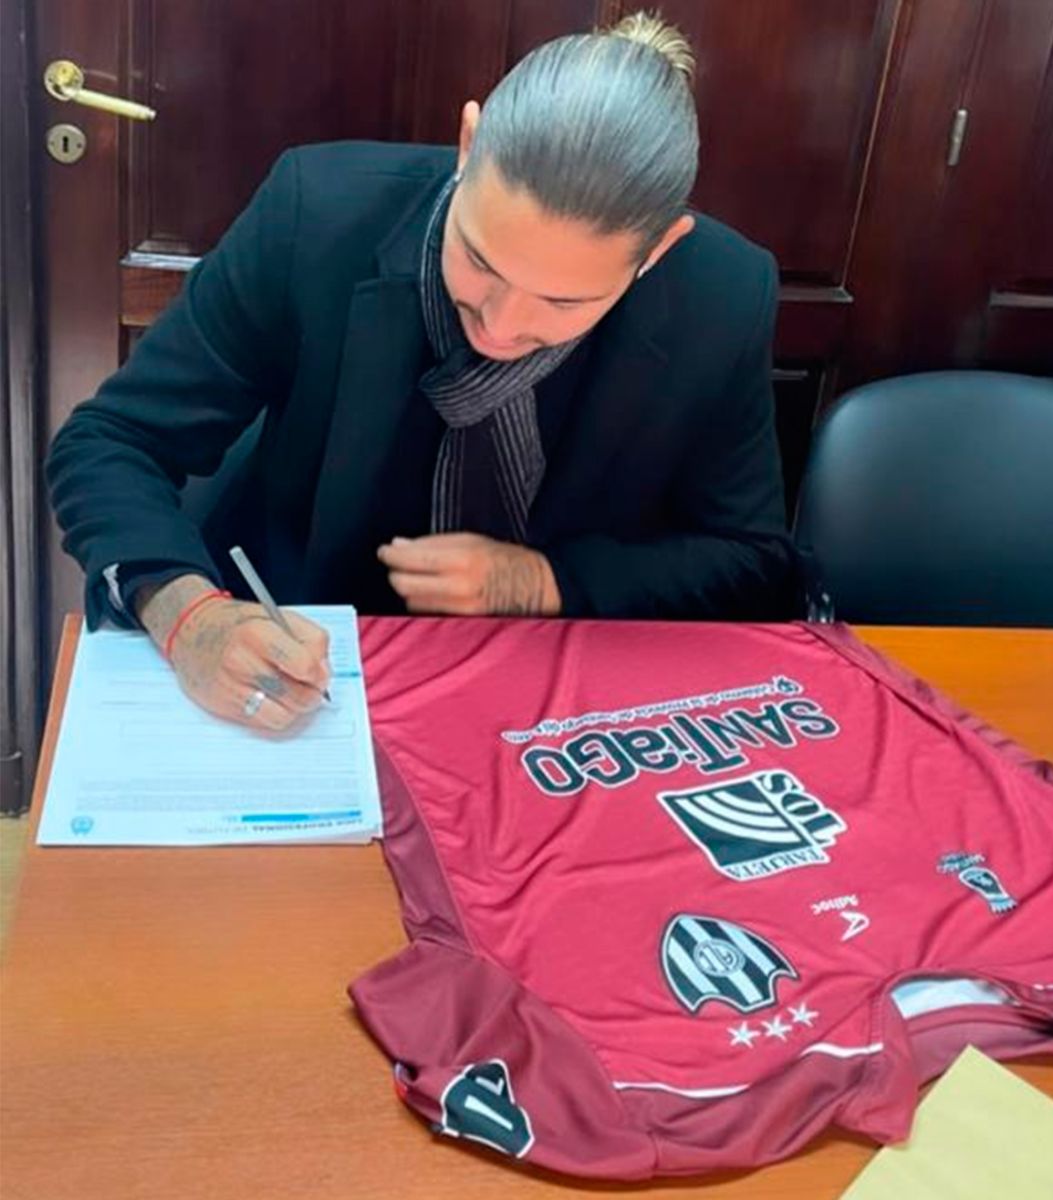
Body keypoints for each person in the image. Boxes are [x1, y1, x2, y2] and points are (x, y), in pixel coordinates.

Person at [47, 13, 800, 734]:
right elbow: (110, 441)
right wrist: (190, 617)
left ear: (657, 250)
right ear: (468, 145)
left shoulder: (719, 295)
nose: (500, 327)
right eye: (479, 260)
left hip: (552, 690)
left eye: (564, 302)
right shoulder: (318, 215)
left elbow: (751, 562)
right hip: (299, 657)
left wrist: (543, 582)